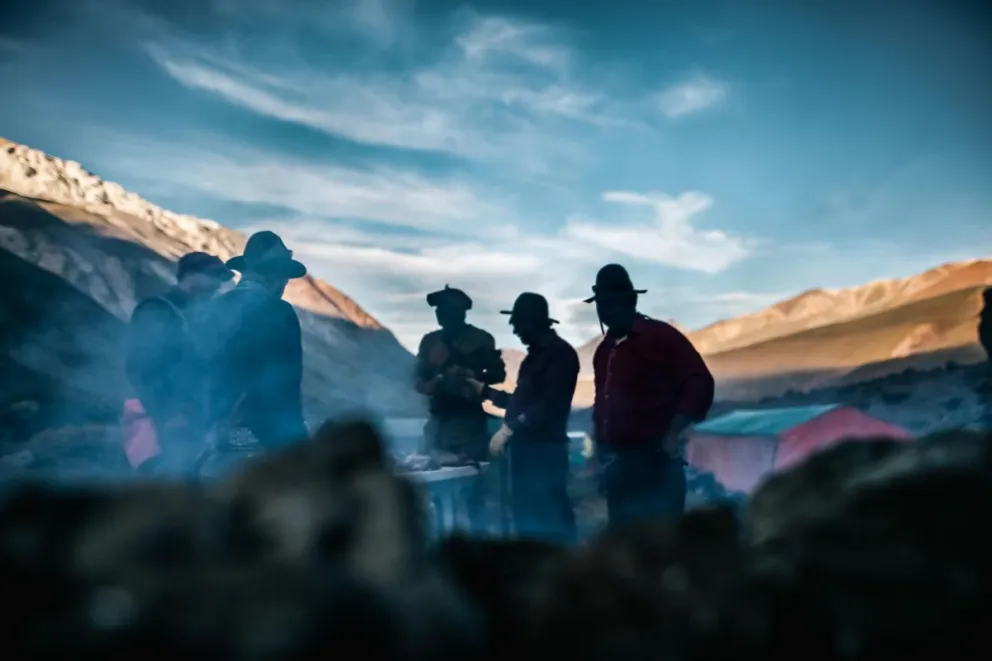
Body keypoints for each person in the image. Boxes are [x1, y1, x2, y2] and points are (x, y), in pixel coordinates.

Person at [585, 264, 714, 527]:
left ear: (630, 301)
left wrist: (674, 432)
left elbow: (699, 382)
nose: (607, 310)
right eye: (602, 304)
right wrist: (598, 458)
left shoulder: (661, 337)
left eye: (613, 303)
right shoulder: (603, 352)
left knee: (660, 544)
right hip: (618, 466)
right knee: (623, 548)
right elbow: (602, 407)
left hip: (657, 463)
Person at [466, 293, 579, 544]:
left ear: (532, 322)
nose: (514, 329)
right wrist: (485, 392)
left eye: (518, 323)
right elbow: (521, 403)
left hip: (545, 453)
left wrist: (509, 429)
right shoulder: (533, 358)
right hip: (527, 453)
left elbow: (549, 405)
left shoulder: (560, 355)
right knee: (527, 518)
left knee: (549, 519)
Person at [196, 231, 309, 457]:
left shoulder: (210, 310)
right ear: (276, 276)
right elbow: (285, 384)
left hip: (211, 435)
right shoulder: (279, 311)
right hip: (264, 438)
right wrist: (298, 442)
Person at [124, 252, 234, 474]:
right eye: (214, 277)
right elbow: (143, 367)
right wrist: (168, 411)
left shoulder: (196, 315)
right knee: (168, 476)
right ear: (192, 275)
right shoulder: (158, 310)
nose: (217, 287)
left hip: (194, 415)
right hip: (167, 418)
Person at [414, 285, 506, 533]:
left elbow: (498, 374)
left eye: (446, 309)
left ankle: (476, 541)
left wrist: (470, 374)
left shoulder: (481, 340)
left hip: (468, 424)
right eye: (438, 310)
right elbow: (417, 380)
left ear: (461, 312)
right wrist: (435, 380)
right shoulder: (430, 341)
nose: (441, 314)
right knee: (433, 489)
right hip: (437, 422)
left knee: (471, 490)